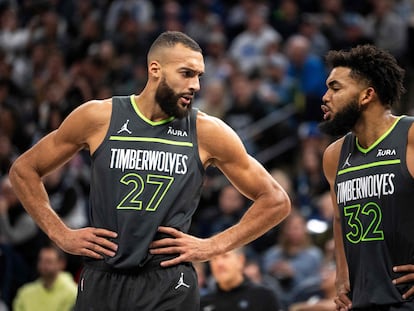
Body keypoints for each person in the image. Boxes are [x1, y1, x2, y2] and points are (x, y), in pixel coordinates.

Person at [8, 31, 291, 311]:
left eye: (199, 76)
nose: (196, 85)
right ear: (155, 69)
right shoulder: (98, 117)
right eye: (187, 73)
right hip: (102, 275)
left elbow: (275, 200)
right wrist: (60, 233)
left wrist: (215, 246)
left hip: (168, 280)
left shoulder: (206, 131)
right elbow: (24, 170)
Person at [320, 44, 414, 310]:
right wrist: (341, 275)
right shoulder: (334, 155)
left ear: (367, 95)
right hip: (363, 301)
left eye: (335, 88)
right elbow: (339, 220)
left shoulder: (409, 136)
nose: (325, 97)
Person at [200, 247, 282, 311]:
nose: (219, 263)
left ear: (240, 260)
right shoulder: (203, 304)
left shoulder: (264, 297)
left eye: (225, 256)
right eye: (214, 258)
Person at [12, 243, 78, 311]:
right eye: (41, 260)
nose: (43, 265)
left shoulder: (73, 293)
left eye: (48, 261)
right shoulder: (25, 292)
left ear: (62, 263)